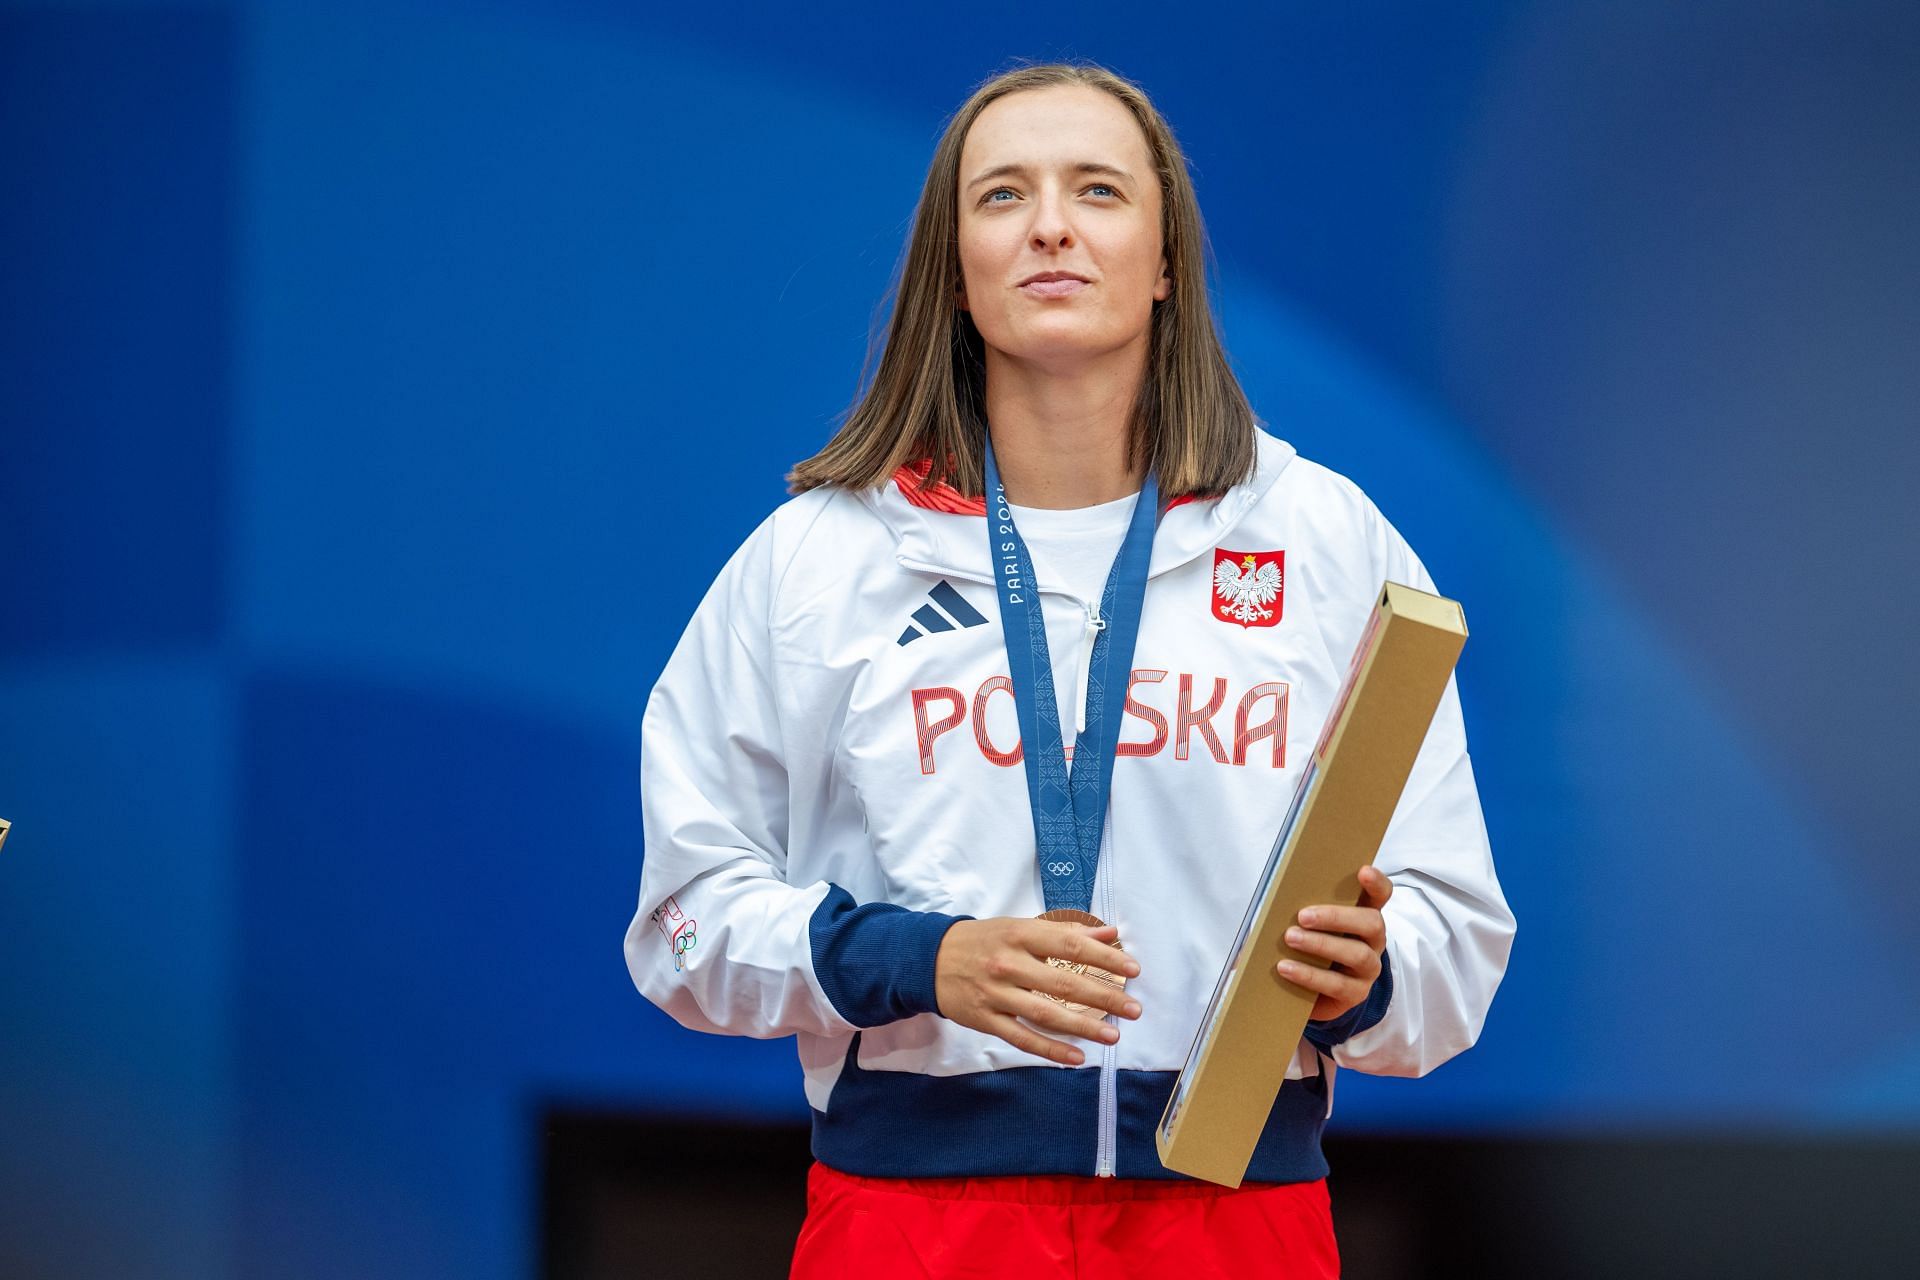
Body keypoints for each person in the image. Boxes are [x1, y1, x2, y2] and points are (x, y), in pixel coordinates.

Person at [625, 60, 1514, 1279]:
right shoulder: (819, 557)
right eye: (1002, 196)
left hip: (1233, 1217)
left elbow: (1456, 936)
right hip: (914, 1223)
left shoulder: (1321, 542)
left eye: (1097, 189)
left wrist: (1369, 977)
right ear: (955, 268)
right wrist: (911, 957)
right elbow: (679, 926)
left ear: (1164, 262)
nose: (1050, 223)